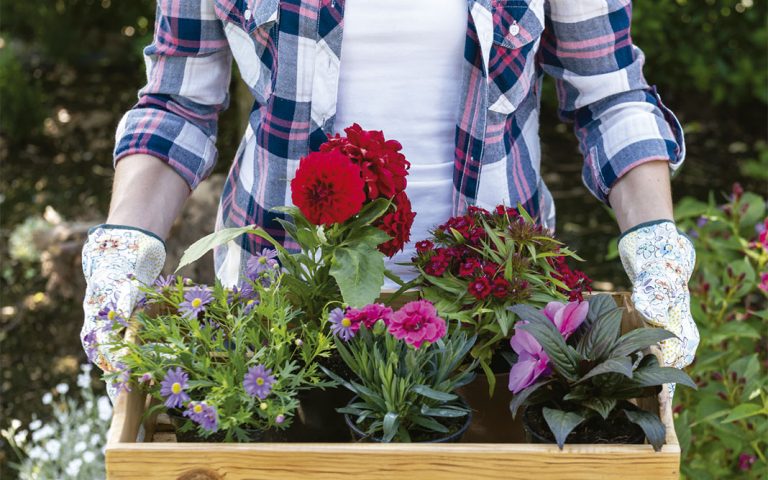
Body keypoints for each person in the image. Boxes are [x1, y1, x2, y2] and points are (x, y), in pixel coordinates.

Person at [81, 0, 698, 400]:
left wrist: (658, 254)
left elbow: (609, 92)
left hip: (495, 323)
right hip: (276, 321)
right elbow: (178, 103)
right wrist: (123, 250)